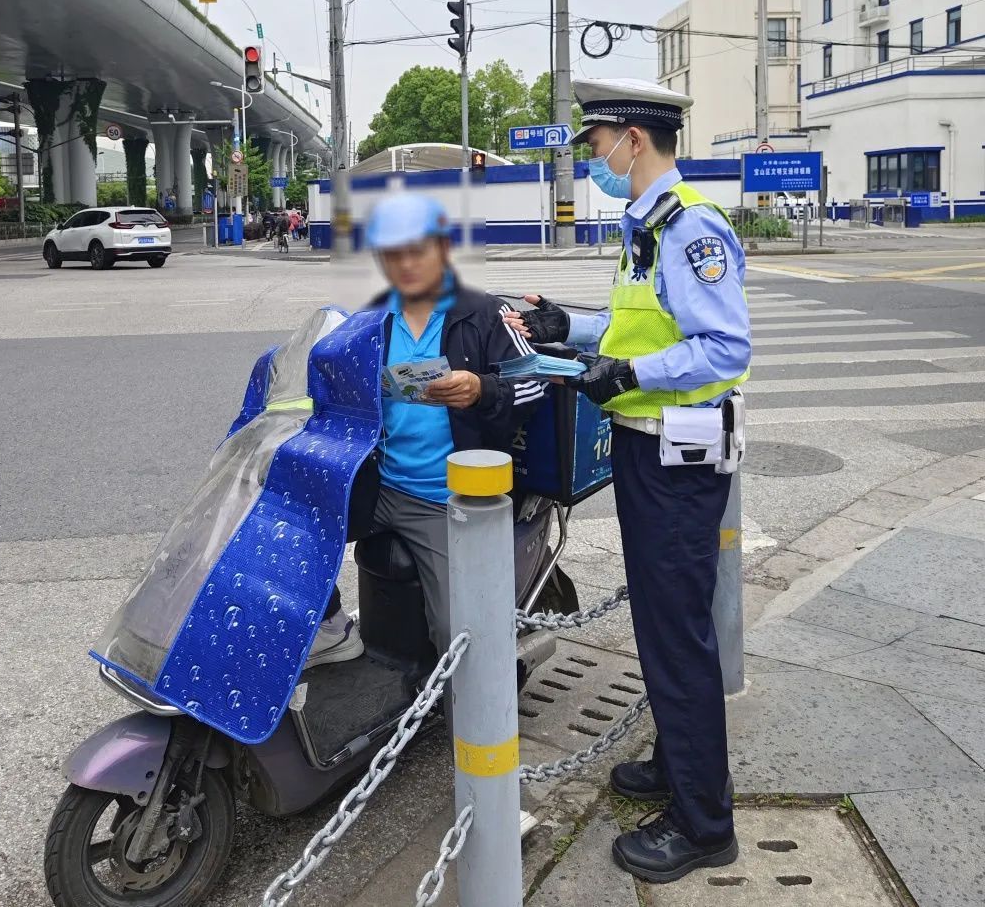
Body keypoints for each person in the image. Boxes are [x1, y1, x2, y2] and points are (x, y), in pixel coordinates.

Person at [504, 78, 751, 884]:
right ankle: (680, 764)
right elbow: (637, 329)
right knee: (661, 623)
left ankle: (703, 823)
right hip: (648, 453)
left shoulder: (690, 228)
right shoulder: (646, 227)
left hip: (679, 460)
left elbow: (724, 347)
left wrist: (629, 373)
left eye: (596, 141)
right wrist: (568, 328)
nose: (593, 157)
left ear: (633, 140)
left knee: (678, 635)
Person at [306, 192, 544, 667]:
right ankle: (331, 626)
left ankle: (479, 709)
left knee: (462, 640)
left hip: (445, 497)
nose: (406, 264)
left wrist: (481, 389)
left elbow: (535, 383)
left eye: (417, 250)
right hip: (378, 485)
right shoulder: (370, 321)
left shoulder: (485, 313)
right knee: (285, 520)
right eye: (393, 253)